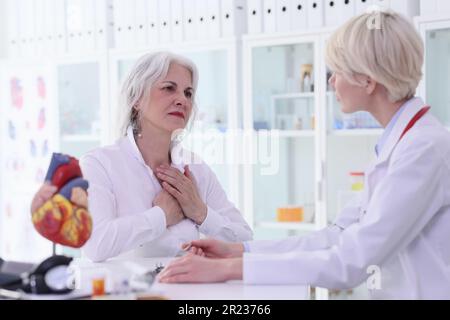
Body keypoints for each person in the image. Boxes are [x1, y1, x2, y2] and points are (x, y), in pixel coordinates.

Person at [157, 11, 450, 299]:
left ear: (368, 81)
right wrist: (239, 251)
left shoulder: (423, 150)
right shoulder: (399, 143)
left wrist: (231, 269)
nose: (331, 82)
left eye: (337, 72)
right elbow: (335, 236)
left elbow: (352, 262)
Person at [31, 52, 252, 262]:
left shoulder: (195, 168)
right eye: (168, 88)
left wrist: (200, 212)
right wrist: (161, 216)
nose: (182, 100)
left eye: (188, 93)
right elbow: (95, 245)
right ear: (136, 98)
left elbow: (245, 241)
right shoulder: (100, 164)